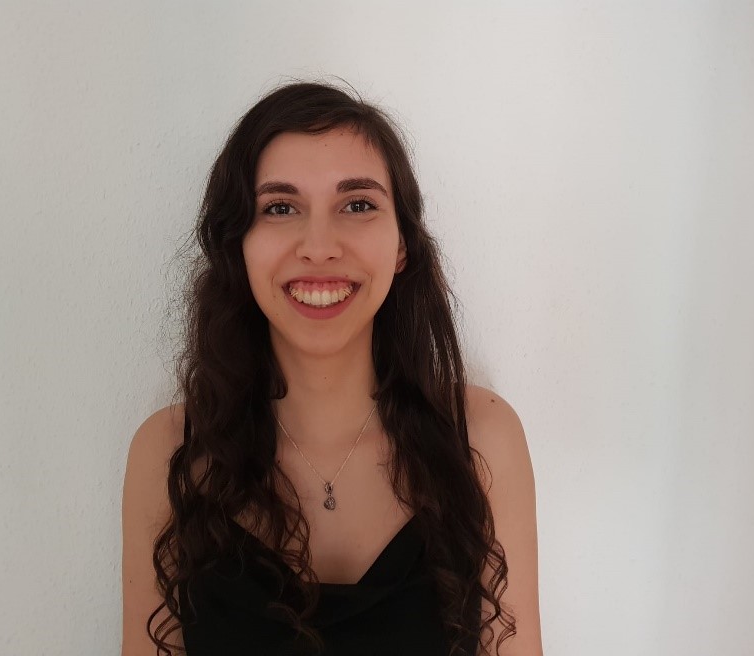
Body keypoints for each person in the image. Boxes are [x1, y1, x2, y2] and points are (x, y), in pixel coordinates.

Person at [122, 80, 542, 656]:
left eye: (358, 204)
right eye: (280, 208)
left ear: (402, 245)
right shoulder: (171, 451)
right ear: (238, 245)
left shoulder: (482, 438)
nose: (318, 246)